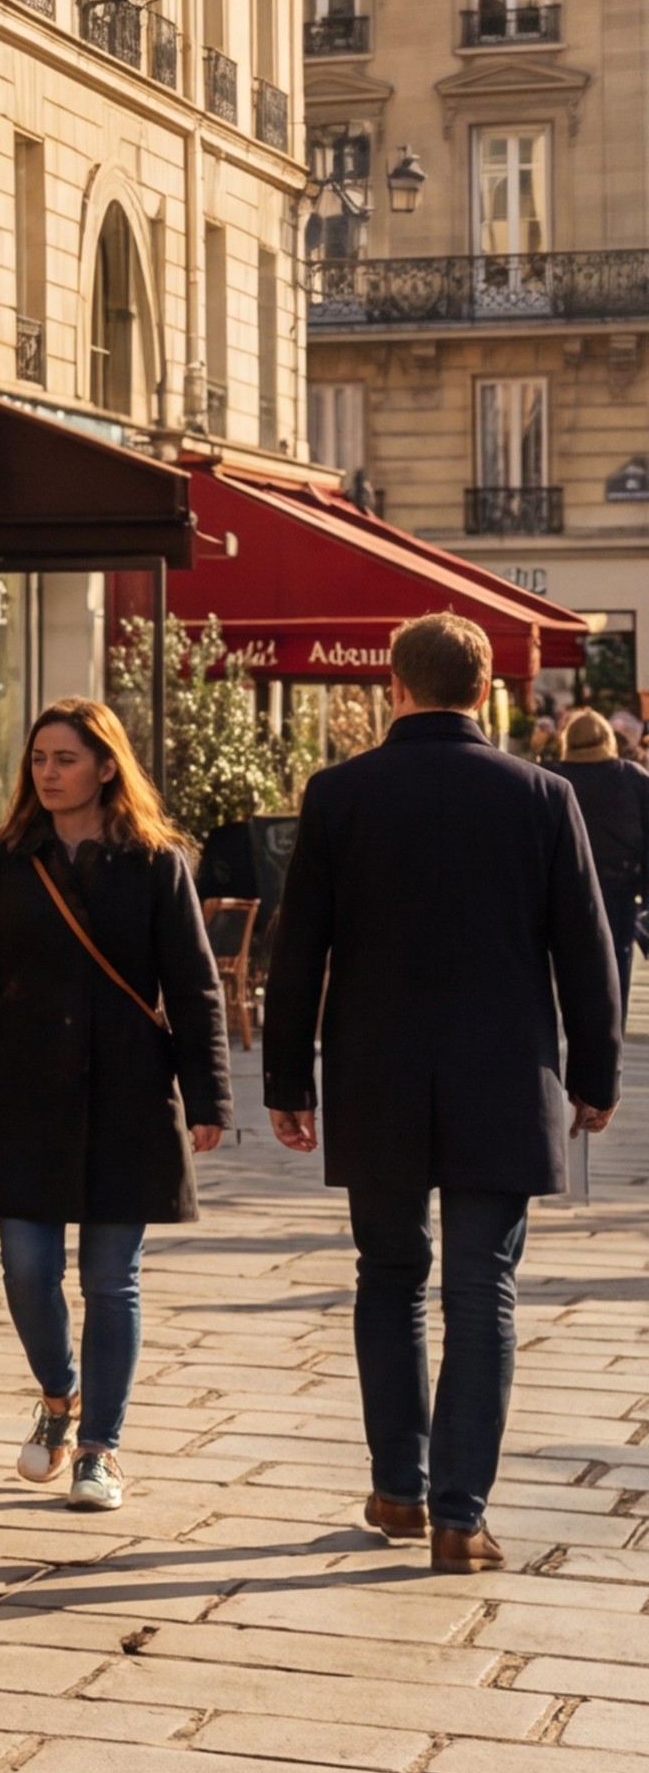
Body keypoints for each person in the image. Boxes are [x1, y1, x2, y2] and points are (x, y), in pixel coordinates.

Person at [264, 616, 624, 1573]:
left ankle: (397, 1486)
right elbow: (586, 953)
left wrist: (288, 1078)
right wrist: (595, 1075)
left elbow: (300, 949)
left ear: (395, 687)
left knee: (387, 1276)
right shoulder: (543, 795)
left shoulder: (340, 794)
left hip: (377, 1073)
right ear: (486, 692)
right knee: (481, 1289)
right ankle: (461, 1515)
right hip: (503, 1076)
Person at [0, 699, 227, 1514]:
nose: (48, 773)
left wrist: (209, 1097)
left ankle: (101, 1448)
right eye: (39, 760)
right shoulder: (1, 863)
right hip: (25, 1091)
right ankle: (61, 1397)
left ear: (105, 766)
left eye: (64, 759)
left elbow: (194, 988)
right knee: (26, 1269)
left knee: (110, 1279)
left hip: (129, 1091)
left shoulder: (156, 863)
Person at [555, 709, 649, 985]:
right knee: (614, 973)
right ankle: (610, 1027)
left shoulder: (551, 779)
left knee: (566, 975)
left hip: (563, 890)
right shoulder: (633, 777)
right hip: (618, 888)